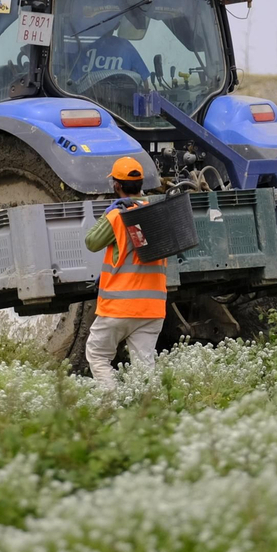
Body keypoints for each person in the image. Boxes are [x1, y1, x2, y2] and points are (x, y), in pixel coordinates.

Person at [82, 156, 168, 388]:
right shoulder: (158, 212)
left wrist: (108, 212)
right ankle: (149, 411)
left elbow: (91, 241)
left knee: (98, 356)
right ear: (141, 184)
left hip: (119, 307)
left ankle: (113, 403)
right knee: (144, 367)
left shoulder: (118, 214)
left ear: (116, 185)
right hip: (152, 308)